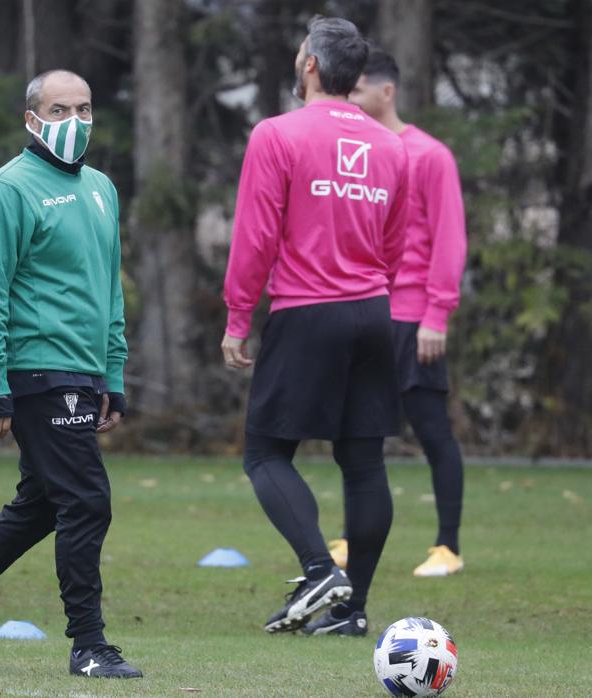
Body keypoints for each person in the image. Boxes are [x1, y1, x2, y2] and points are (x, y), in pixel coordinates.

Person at [0, 70, 140, 679]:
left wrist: (113, 373)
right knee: (87, 500)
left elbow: (106, 289)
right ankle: (89, 645)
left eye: (85, 108)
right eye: (60, 109)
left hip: (83, 372)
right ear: (32, 119)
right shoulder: (7, 190)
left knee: (43, 502)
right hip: (37, 369)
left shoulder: (101, 189)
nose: (75, 120)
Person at [220, 16, 410, 637]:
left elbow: (254, 236)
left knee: (265, 452)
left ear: (309, 65)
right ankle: (351, 614)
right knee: (363, 461)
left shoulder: (277, 134)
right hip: (373, 313)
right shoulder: (391, 145)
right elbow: (396, 243)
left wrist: (237, 317)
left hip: (307, 311)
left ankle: (320, 569)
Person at [331, 48, 468, 580]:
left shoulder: (430, 155)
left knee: (433, 431)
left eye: (359, 90)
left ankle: (447, 546)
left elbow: (450, 240)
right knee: (357, 433)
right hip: (369, 313)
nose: (352, 100)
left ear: (386, 92)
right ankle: (351, 536)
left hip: (416, 318)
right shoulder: (360, 152)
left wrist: (437, 313)